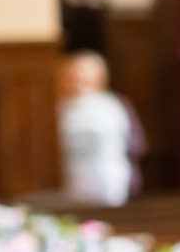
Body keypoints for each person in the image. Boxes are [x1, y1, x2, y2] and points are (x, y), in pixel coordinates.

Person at [57, 51, 136, 207]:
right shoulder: (59, 109)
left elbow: (132, 143)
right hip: (70, 182)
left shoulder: (112, 106)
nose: (77, 85)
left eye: (84, 80)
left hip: (107, 180)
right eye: (72, 79)